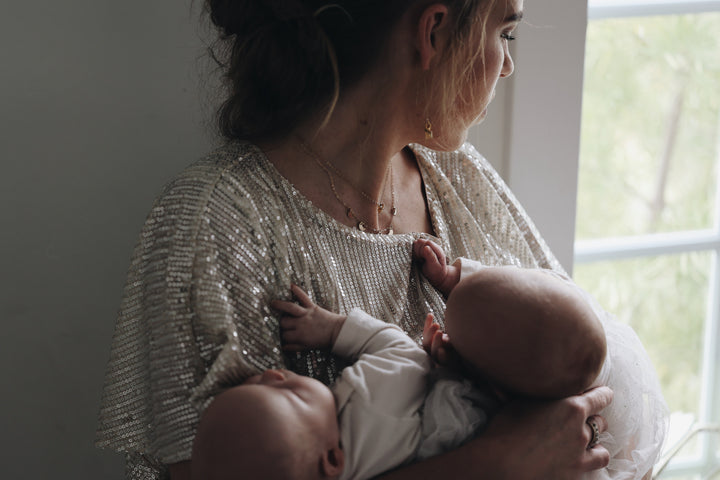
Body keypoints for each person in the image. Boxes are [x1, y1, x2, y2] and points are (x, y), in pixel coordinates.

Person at [96, 0, 667, 479]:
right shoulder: (214, 225)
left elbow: (582, 381)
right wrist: (489, 465)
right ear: (434, 30)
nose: (508, 65)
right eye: (505, 30)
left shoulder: (460, 179)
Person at [191, 240, 610, 480]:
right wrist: (333, 329)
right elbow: (394, 347)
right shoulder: (363, 402)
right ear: (331, 460)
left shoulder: (336, 462)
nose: (274, 373)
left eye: (260, 381)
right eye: (287, 395)